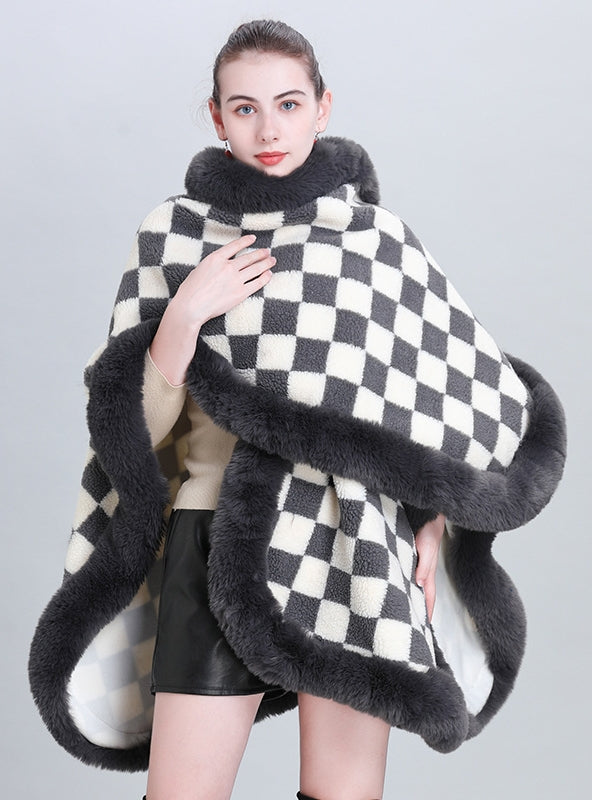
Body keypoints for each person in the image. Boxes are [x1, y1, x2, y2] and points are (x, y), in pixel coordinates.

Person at [28, 18, 566, 800]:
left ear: (323, 107)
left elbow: (437, 403)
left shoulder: (377, 244)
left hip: (355, 540)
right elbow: (133, 431)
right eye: (245, 108)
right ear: (216, 117)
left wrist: (435, 515)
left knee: (344, 794)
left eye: (288, 103)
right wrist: (185, 314)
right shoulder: (172, 236)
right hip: (214, 541)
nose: (269, 128)